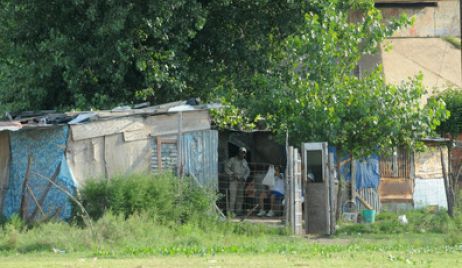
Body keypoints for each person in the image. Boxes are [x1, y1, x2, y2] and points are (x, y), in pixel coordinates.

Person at [225, 147, 250, 216]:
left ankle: (238, 211)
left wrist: (244, 178)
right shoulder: (232, 160)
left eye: (244, 153)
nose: (243, 154)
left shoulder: (245, 161)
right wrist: (232, 174)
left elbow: (248, 171)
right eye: (241, 152)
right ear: (238, 152)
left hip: (241, 181)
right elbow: (226, 168)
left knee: (240, 197)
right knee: (233, 197)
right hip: (234, 180)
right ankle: (231, 212)